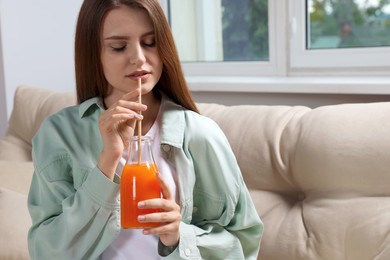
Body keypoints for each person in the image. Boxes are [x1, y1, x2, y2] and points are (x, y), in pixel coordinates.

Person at [27, 0, 263, 259]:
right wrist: (108, 162)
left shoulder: (202, 134)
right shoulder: (58, 134)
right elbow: (47, 251)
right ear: (93, 53)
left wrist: (179, 235)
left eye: (150, 42)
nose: (139, 58)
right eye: (119, 47)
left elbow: (243, 242)